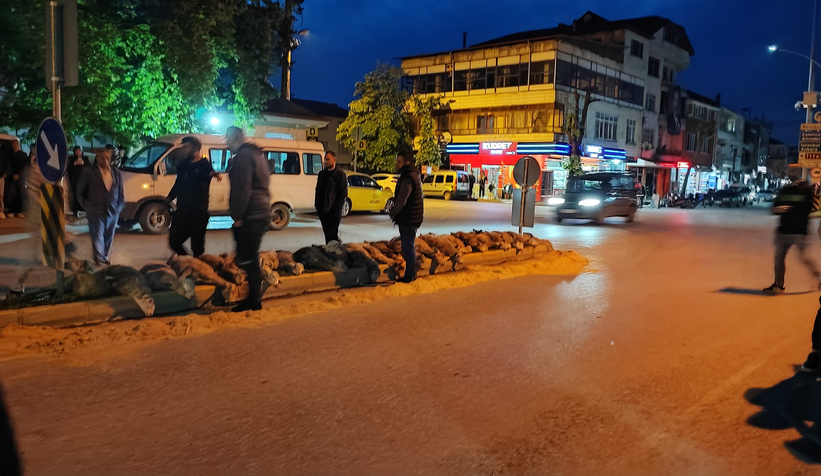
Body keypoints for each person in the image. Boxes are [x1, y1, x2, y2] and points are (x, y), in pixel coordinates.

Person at [226, 126, 270, 312]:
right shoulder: (257, 154)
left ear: (234, 138)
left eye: (227, 139)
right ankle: (253, 299)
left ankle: (254, 300)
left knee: (247, 257)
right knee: (248, 255)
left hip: (251, 213)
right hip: (261, 211)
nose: (226, 144)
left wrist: (238, 216)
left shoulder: (243, 157)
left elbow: (242, 188)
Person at [165, 136, 220, 257]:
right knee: (174, 241)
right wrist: (168, 199)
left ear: (195, 148)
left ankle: (195, 265)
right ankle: (187, 260)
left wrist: (212, 175)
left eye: (187, 147)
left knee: (197, 248)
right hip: (182, 211)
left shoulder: (204, 165)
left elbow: (204, 178)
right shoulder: (183, 165)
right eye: (183, 147)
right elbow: (178, 184)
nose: (184, 150)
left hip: (198, 213)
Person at [762, 179, 820, 294]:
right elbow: (775, 207)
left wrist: (787, 209)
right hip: (786, 230)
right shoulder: (787, 191)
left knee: (803, 257)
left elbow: (806, 209)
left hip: (797, 231)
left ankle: (818, 277)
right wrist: (782, 209)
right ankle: (778, 284)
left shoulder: (805, 193)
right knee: (780, 258)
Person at [77, 149, 125, 265]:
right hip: (95, 210)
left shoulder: (116, 173)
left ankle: (104, 256)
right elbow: (79, 192)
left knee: (109, 236)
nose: (105, 160)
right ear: (97, 158)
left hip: (112, 210)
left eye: (107, 158)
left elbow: (120, 193)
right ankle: (99, 259)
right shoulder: (88, 172)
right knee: (97, 235)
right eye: (102, 157)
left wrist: (119, 207)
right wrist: (86, 206)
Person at [389, 150, 424, 283]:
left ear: (407, 162)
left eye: (399, 162)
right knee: (408, 246)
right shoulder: (412, 175)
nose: (397, 164)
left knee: (408, 247)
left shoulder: (408, 178)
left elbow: (402, 200)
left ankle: (410, 275)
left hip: (409, 218)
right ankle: (411, 272)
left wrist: (393, 212)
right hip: (411, 217)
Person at [314, 150, 348, 244]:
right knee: (327, 234)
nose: (325, 161)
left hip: (334, 211)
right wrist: (317, 205)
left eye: (328, 159)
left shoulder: (340, 175)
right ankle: (330, 248)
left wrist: (337, 208)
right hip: (322, 210)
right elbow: (318, 190)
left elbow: (342, 193)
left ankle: (334, 250)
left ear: (334, 160)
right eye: (325, 159)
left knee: (332, 234)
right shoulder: (322, 174)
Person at [7, 141, 28, 218]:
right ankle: (11, 211)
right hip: (11, 177)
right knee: (11, 194)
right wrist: (11, 175)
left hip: (20, 177)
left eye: (16, 144)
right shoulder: (8, 154)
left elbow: (25, 167)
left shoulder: (23, 155)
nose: (15, 145)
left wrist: (19, 175)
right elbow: (8, 165)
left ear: (18, 145)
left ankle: (19, 211)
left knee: (20, 194)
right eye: (13, 144)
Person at [66, 146, 89, 217]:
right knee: (76, 194)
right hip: (75, 180)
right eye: (76, 151)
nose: (78, 152)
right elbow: (69, 169)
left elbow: (89, 168)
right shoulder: (71, 159)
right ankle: (76, 209)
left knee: (84, 194)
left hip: (84, 180)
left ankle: (83, 208)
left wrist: (83, 164)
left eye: (79, 151)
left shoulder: (85, 158)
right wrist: (74, 164)